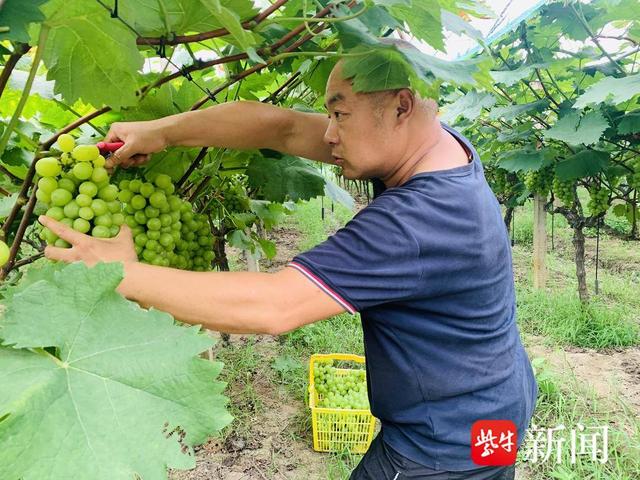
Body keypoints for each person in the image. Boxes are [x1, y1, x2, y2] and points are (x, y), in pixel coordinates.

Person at [39, 53, 537, 479]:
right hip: (494, 408)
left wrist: (124, 272)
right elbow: (282, 126)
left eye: (339, 115)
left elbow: (275, 307)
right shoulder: (436, 147)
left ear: (401, 105)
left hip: (442, 444)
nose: (328, 133)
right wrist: (163, 132)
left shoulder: (419, 221)